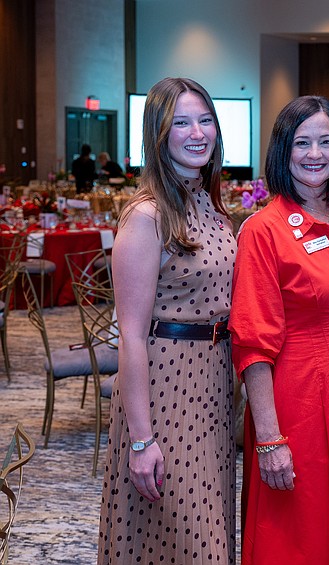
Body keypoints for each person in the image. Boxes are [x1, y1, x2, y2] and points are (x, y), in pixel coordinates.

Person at [229, 95, 329, 565]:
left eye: (326, 141)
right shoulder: (264, 229)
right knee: (302, 537)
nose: (315, 153)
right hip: (301, 407)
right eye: (302, 142)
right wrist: (270, 439)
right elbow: (252, 344)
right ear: (283, 151)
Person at [99, 77, 236, 563]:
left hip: (213, 385)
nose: (197, 132)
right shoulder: (146, 216)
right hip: (164, 387)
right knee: (186, 540)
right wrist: (141, 438)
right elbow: (131, 336)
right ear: (158, 134)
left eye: (205, 120)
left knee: (203, 529)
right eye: (181, 122)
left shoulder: (209, 206)